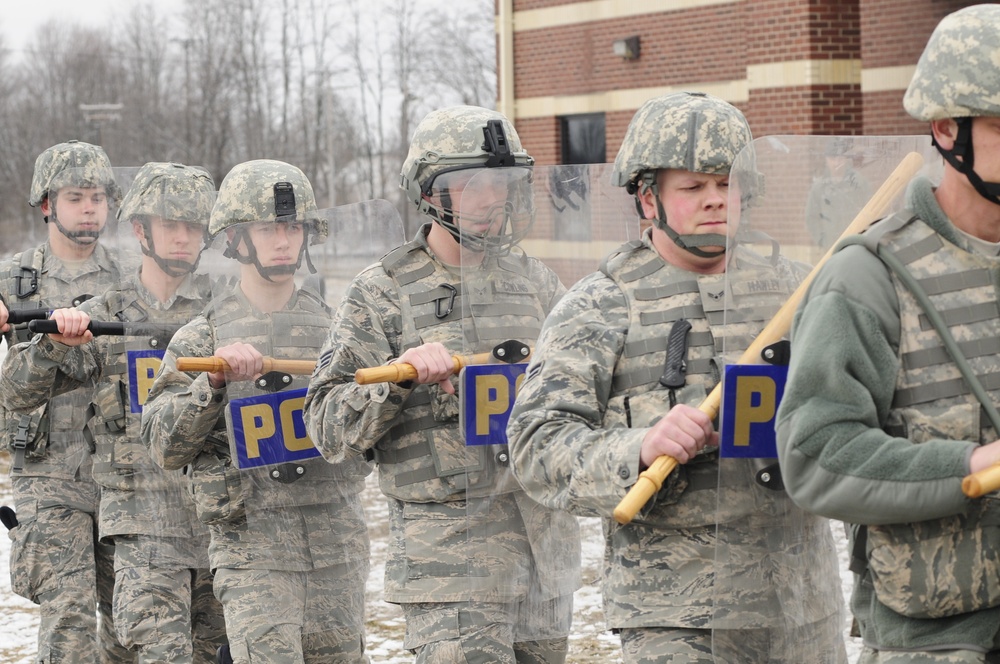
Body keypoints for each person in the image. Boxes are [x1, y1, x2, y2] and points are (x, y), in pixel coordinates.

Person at [506, 91, 846, 663]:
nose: (716, 202)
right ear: (647, 198)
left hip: (800, 607)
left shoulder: (800, 291)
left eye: (727, 185)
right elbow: (536, 445)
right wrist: (638, 446)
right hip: (675, 616)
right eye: (692, 187)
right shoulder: (599, 307)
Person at [303, 105, 580, 664]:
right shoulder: (381, 290)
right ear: (430, 192)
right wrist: (398, 381)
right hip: (451, 568)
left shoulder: (537, 283)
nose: (490, 199)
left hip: (544, 559)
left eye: (501, 183)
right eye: (470, 183)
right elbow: (326, 424)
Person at [776, 5, 1000, 662]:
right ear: (946, 130)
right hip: (939, 640)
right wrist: (965, 467)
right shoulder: (868, 277)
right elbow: (816, 454)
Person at [140, 159, 370, 664]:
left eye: (292, 228)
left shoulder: (337, 331)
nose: (284, 241)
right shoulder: (204, 335)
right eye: (269, 229)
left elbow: (365, 431)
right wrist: (213, 382)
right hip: (253, 551)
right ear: (237, 239)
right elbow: (161, 442)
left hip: (337, 545)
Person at [0, 162, 228, 662]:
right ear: (142, 230)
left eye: (195, 226)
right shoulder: (109, 311)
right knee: (100, 629)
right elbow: (16, 394)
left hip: (211, 512)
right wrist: (54, 345)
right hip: (132, 512)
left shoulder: (225, 307)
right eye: (172, 224)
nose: (184, 238)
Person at [0, 140, 132, 663]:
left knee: (131, 621)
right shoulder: (13, 278)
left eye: (98, 197)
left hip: (126, 471)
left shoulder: (131, 277)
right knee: (69, 622)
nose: (89, 208)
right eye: (76, 196)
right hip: (49, 475)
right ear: (47, 204)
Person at [804, 137, 873, 251]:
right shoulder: (819, 187)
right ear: (826, 159)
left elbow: (871, 212)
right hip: (830, 247)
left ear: (846, 159)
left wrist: (863, 237)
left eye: (840, 158)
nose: (836, 162)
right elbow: (811, 217)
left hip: (856, 245)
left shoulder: (859, 183)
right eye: (832, 158)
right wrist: (822, 240)